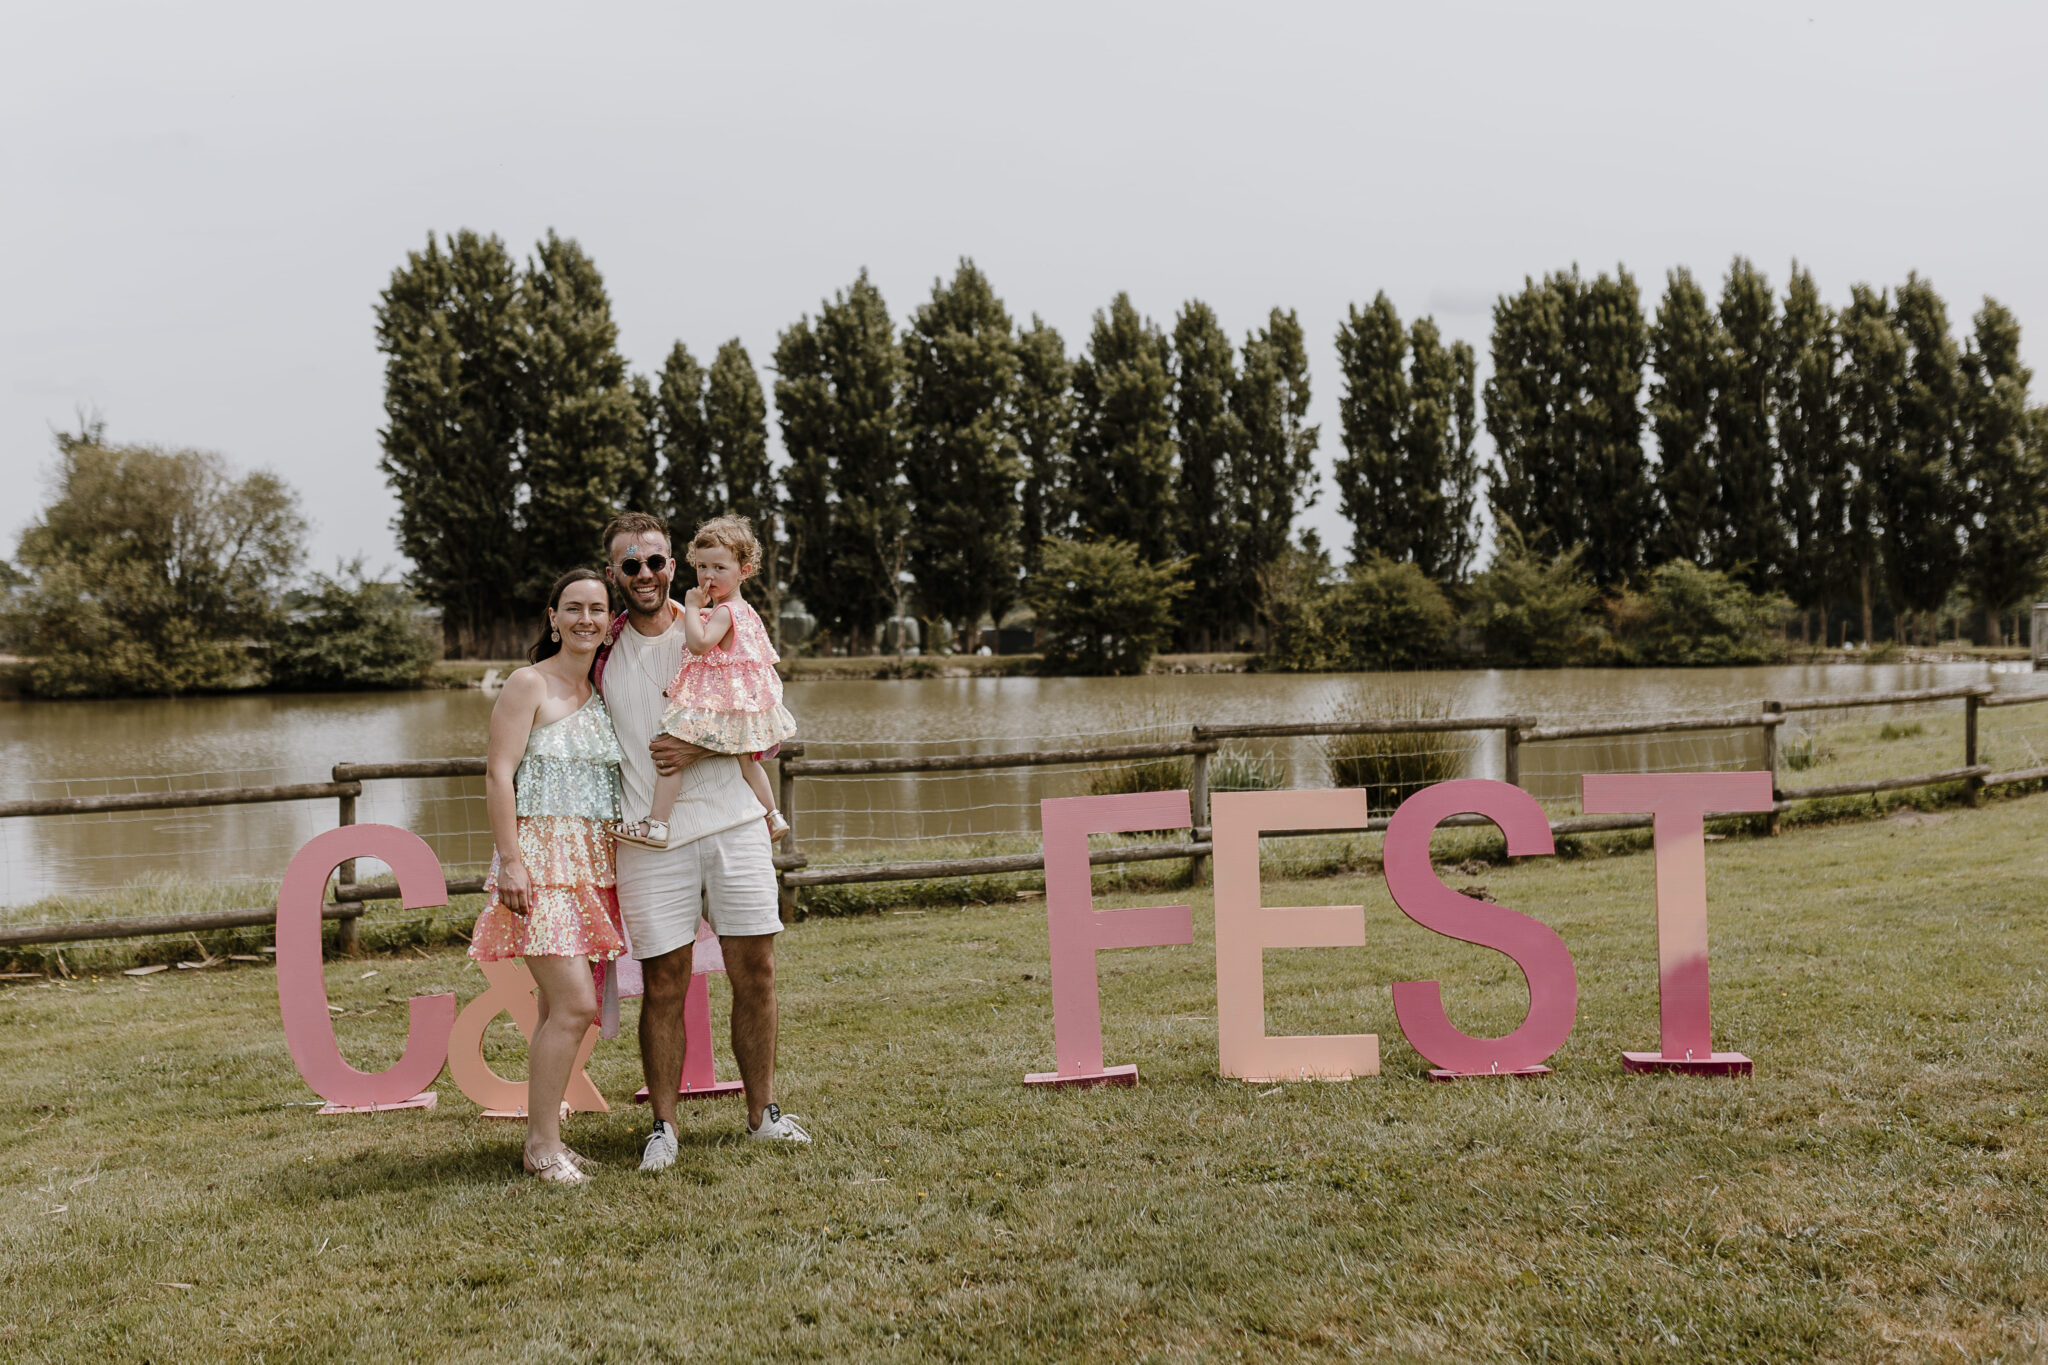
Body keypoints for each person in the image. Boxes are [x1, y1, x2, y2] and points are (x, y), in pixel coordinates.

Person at [595, 511, 811, 1166]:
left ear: (672, 566)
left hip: (733, 824)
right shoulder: (596, 649)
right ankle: (664, 1126)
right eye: (629, 565)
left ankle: (762, 1112)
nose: (645, 574)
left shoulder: (718, 629)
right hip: (649, 841)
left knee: (758, 971)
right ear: (614, 574)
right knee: (663, 981)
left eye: (656, 561)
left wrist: (696, 744)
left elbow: (765, 726)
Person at [472, 567, 625, 1185]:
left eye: (597, 608)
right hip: (540, 861)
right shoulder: (527, 683)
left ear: (608, 620)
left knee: (551, 1012)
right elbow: (497, 775)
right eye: (574, 608)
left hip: (593, 864)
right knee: (574, 1005)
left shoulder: (607, 693)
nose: (586, 618)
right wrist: (511, 860)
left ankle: (549, 1140)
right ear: (553, 618)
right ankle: (539, 1146)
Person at [613, 514, 795, 850]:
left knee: (669, 755)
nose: (708, 576)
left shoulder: (724, 612)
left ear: (745, 570)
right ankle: (773, 815)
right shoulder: (749, 612)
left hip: (714, 703)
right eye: (702, 567)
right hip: (739, 703)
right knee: (749, 763)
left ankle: (657, 825)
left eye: (719, 568)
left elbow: (697, 644)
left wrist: (694, 606)